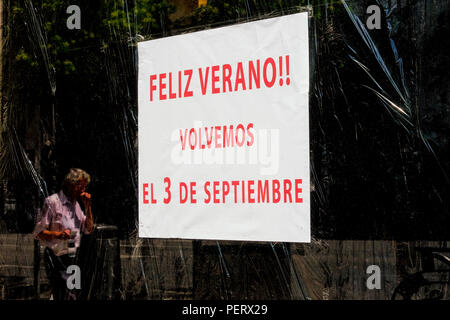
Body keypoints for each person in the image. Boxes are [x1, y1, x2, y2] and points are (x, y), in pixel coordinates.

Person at [33, 168, 94, 300]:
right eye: (80, 186)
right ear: (70, 184)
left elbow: (88, 229)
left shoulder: (76, 205)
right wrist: (58, 235)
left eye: (84, 187)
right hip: (57, 255)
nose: (82, 190)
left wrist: (88, 207)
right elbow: (39, 232)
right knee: (64, 292)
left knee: (73, 291)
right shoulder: (52, 202)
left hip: (72, 253)